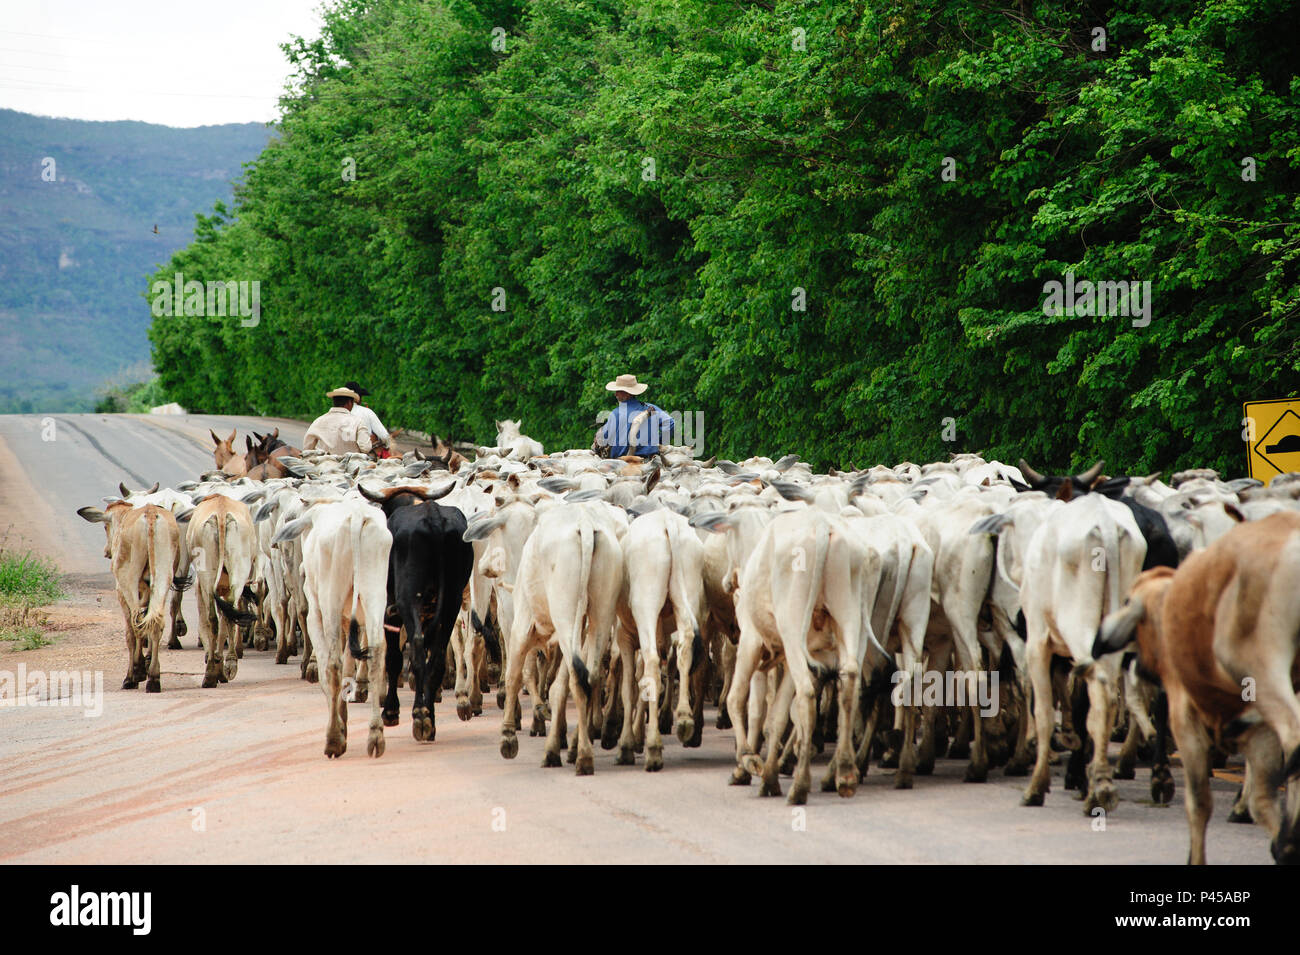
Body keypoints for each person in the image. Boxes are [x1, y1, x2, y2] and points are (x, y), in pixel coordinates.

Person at [596, 373, 675, 457]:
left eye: (618, 391)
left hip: (621, 464)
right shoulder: (652, 408)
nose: (615, 394)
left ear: (627, 394)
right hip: (650, 460)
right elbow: (670, 424)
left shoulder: (615, 414)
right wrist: (659, 443)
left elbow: (604, 437)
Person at [302, 387, 373, 454]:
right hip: (349, 465)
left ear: (334, 402)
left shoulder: (319, 421)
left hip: (324, 463)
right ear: (349, 403)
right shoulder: (358, 422)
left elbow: (307, 447)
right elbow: (366, 448)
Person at [344, 381, 392, 458]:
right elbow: (384, 436)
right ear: (358, 398)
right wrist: (387, 445)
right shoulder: (367, 412)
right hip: (363, 457)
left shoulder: (331, 415)